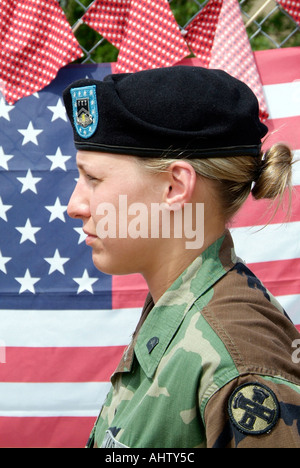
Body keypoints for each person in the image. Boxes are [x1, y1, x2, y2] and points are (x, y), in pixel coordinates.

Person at [63, 66, 300, 449]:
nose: (75, 205)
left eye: (94, 179)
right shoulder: (183, 314)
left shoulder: (235, 359)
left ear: (174, 186)